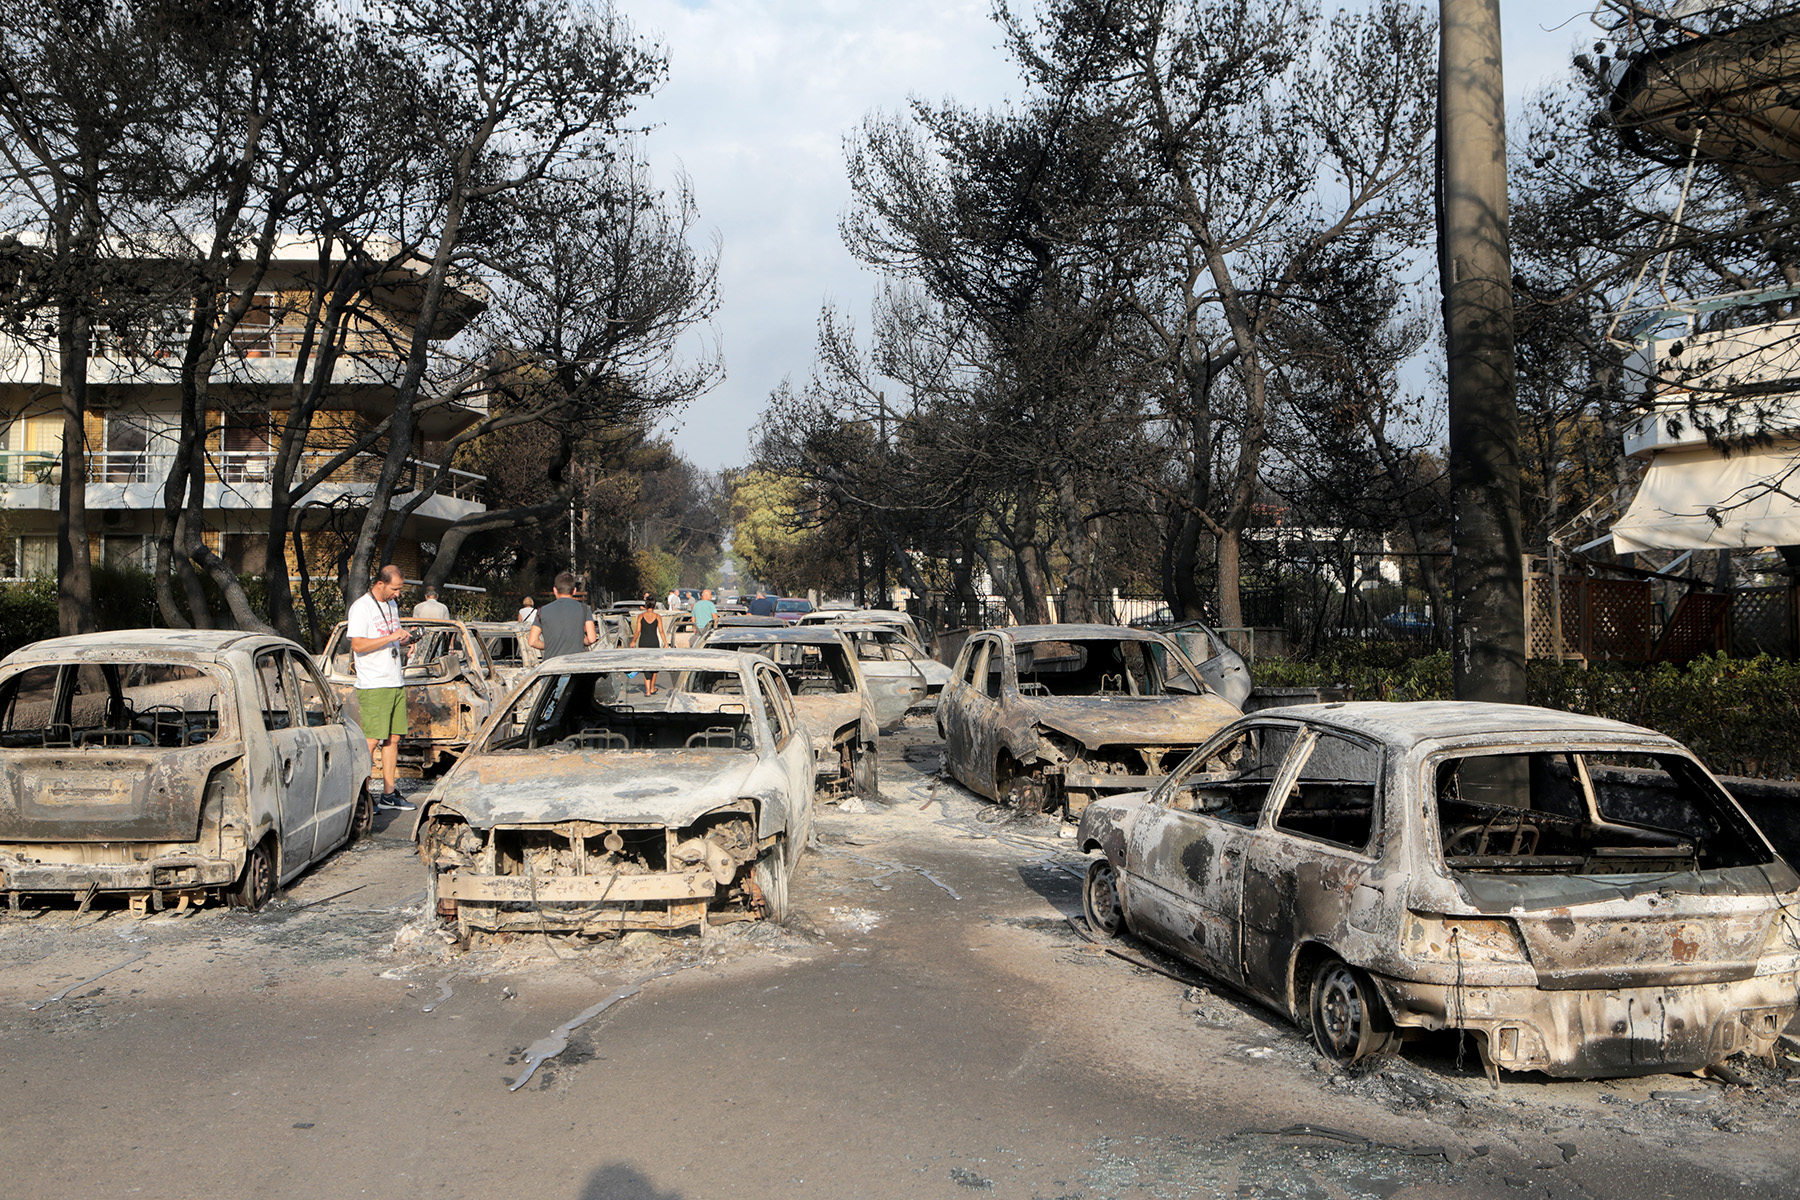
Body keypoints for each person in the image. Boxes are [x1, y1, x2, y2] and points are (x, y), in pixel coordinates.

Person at [348, 564, 415, 811]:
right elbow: (357, 644)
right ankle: (363, 796)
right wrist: (390, 637)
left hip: (395, 679)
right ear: (380, 584)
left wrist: (405, 639)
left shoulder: (392, 605)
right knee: (372, 740)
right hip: (374, 683)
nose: (398, 593)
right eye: (395, 588)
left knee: (393, 738)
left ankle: (388, 793)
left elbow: (391, 634)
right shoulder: (361, 607)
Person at [528, 572, 597, 661]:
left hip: (551, 664)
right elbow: (591, 638)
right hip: (576, 664)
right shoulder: (584, 609)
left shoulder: (542, 611)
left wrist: (551, 645)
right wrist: (581, 641)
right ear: (574, 591)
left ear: (555, 590)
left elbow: (532, 641)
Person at [630, 592, 666, 694]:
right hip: (654, 642)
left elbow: (637, 631)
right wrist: (666, 643)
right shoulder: (658, 617)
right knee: (654, 666)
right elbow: (661, 631)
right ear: (654, 605)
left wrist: (633, 641)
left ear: (646, 605)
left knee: (645, 665)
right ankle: (652, 688)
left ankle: (647, 691)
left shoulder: (641, 616)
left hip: (643, 642)